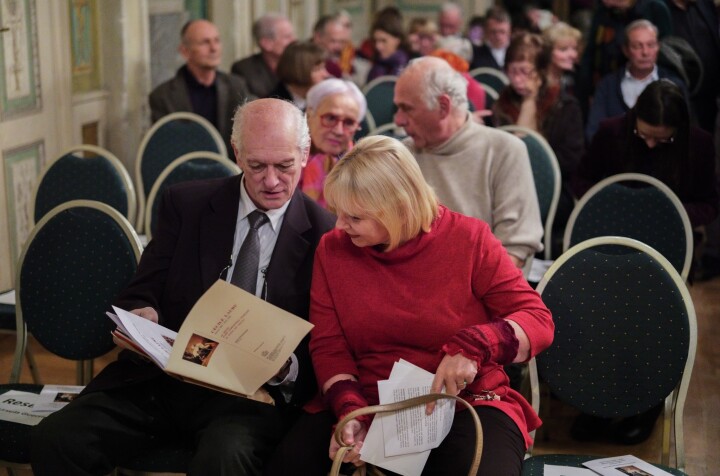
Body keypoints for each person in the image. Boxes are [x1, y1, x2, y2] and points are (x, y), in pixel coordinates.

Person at [29, 99, 336, 476]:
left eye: (284, 166)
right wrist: (144, 313)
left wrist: (285, 369)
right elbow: (140, 292)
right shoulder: (187, 204)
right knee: (58, 438)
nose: (271, 181)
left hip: (249, 399)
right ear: (237, 153)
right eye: (257, 166)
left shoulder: (326, 233)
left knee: (223, 460)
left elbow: (326, 347)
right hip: (163, 381)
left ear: (304, 154)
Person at [264, 135, 554, 476]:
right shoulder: (334, 249)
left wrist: (478, 345)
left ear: (400, 210)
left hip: (464, 401)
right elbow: (330, 347)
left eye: (355, 217)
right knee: (290, 465)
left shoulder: (469, 239)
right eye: (337, 212)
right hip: (367, 399)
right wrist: (349, 409)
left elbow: (538, 320)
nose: (340, 225)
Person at [571, 80, 718, 444]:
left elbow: (710, 203)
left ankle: (646, 404)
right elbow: (582, 180)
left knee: (654, 324)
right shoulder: (612, 132)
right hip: (609, 248)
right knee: (595, 320)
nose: (650, 144)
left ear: (678, 131)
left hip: (668, 252)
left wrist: (670, 214)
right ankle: (594, 402)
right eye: (644, 135)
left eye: (661, 139)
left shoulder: (697, 144)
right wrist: (610, 204)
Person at [394, 57, 543, 269]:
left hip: (479, 289)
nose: (398, 120)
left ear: (443, 106)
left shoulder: (504, 151)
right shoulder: (402, 155)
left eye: (407, 108)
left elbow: (514, 251)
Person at [493, 32, 585, 257]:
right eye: (512, 71)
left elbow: (540, 159)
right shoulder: (502, 104)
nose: (517, 80)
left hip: (551, 192)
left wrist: (529, 103)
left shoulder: (565, 106)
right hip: (505, 190)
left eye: (525, 72)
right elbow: (503, 159)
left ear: (541, 71)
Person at [149, 19, 254, 156]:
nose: (214, 48)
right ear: (185, 51)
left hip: (232, 169)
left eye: (217, 41)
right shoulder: (163, 96)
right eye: (205, 42)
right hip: (188, 172)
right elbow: (166, 148)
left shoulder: (236, 85)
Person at [585, 19, 687, 142]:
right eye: (637, 46)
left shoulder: (674, 85)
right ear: (626, 50)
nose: (645, 52)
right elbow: (594, 132)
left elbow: (687, 131)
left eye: (651, 45)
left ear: (658, 47)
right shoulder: (607, 86)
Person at [301, 78, 367, 208]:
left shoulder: (365, 171)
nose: (339, 131)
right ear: (309, 116)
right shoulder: (284, 160)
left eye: (349, 123)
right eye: (330, 118)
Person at [231, 13, 297, 98]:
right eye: (287, 37)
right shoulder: (244, 70)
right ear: (266, 43)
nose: (294, 40)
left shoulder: (299, 65)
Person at [267, 41, 330, 111]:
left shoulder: (324, 98)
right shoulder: (274, 105)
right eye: (317, 69)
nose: (326, 74)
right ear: (298, 70)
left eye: (323, 67)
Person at [366, 13, 410, 82]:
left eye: (383, 41)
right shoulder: (375, 67)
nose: (378, 46)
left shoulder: (409, 68)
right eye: (375, 41)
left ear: (397, 40)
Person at [542, 21, 582, 95]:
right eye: (563, 49)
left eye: (574, 49)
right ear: (548, 51)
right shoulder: (536, 81)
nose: (573, 55)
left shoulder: (577, 77)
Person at [470, 5, 512, 71]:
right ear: (486, 31)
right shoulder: (475, 55)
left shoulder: (517, 53)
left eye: (502, 32)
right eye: (493, 32)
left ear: (509, 31)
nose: (498, 36)